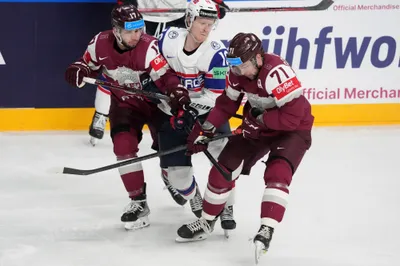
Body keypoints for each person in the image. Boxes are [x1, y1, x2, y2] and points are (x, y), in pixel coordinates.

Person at [176, 32, 314, 262]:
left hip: (292, 130)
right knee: (223, 169)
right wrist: (206, 128)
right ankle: (207, 221)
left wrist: (258, 121)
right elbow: (228, 103)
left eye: (242, 66)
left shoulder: (276, 73)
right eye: (234, 67)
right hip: (258, 126)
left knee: (277, 173)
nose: (238, 72)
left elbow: (292, 117)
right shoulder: (237, 71)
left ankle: (266, 229)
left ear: (257, 58)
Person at [64, 4, 187, 230]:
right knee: (123, 147)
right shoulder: (99, 43)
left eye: (139, 30)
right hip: (124, 105)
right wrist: (78, 69)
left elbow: (166, 78)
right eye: (130, 31)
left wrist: (175, 91)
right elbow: (87, 65)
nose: (136, 36)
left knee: (169, 147)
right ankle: (138, 202)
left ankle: (171, 174)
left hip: (154, 105)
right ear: (116, 30)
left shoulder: (149, 47)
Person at [88, 0, 225, 146]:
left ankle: (177, 115)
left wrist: (217, 2)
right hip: (145, 16)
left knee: (170, 70)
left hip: (178, 16)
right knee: (123, 65)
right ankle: (102, 112)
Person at [156, 0, 236, 232]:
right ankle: (194, 196)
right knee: (177, 174)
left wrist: (187, 109)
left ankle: (227, 204)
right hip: (170, 113)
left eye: (210, 24)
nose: (206, 28)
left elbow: (215, 97)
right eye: (202, 22)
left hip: (208, 116)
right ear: (189, 20)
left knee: (224, 161)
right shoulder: (167, 39)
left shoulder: (217, 54)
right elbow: (155, 71)